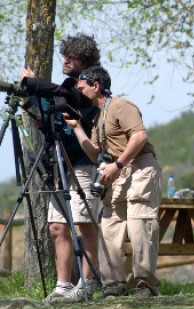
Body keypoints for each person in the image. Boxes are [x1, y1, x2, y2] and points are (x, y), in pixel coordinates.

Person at [65, 65, 161, 297]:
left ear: (95, 86)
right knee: (110, 227)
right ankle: (113, 285)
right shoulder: (99, 117)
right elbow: (96, 154)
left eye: (81, 88)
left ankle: (145, 285)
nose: (78, 93)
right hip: (118, 174)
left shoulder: (121, 106)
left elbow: (139, 136)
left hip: (139, 168)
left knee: (141, 225)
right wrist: (78, 129)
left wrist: (117, 165)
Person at [21, 33, 102, 303]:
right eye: (64, 55)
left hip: (82, 162)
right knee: (57, 227)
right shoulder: (67, 85)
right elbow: (52, 108)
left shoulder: (92, 84)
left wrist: (37, 86)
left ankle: (87, 284)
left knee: (84, 223)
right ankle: (63, 285)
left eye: (71, 57)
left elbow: (69, 101)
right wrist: (32, 96)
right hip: (58, 162)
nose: (65, 60)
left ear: (84, 60)